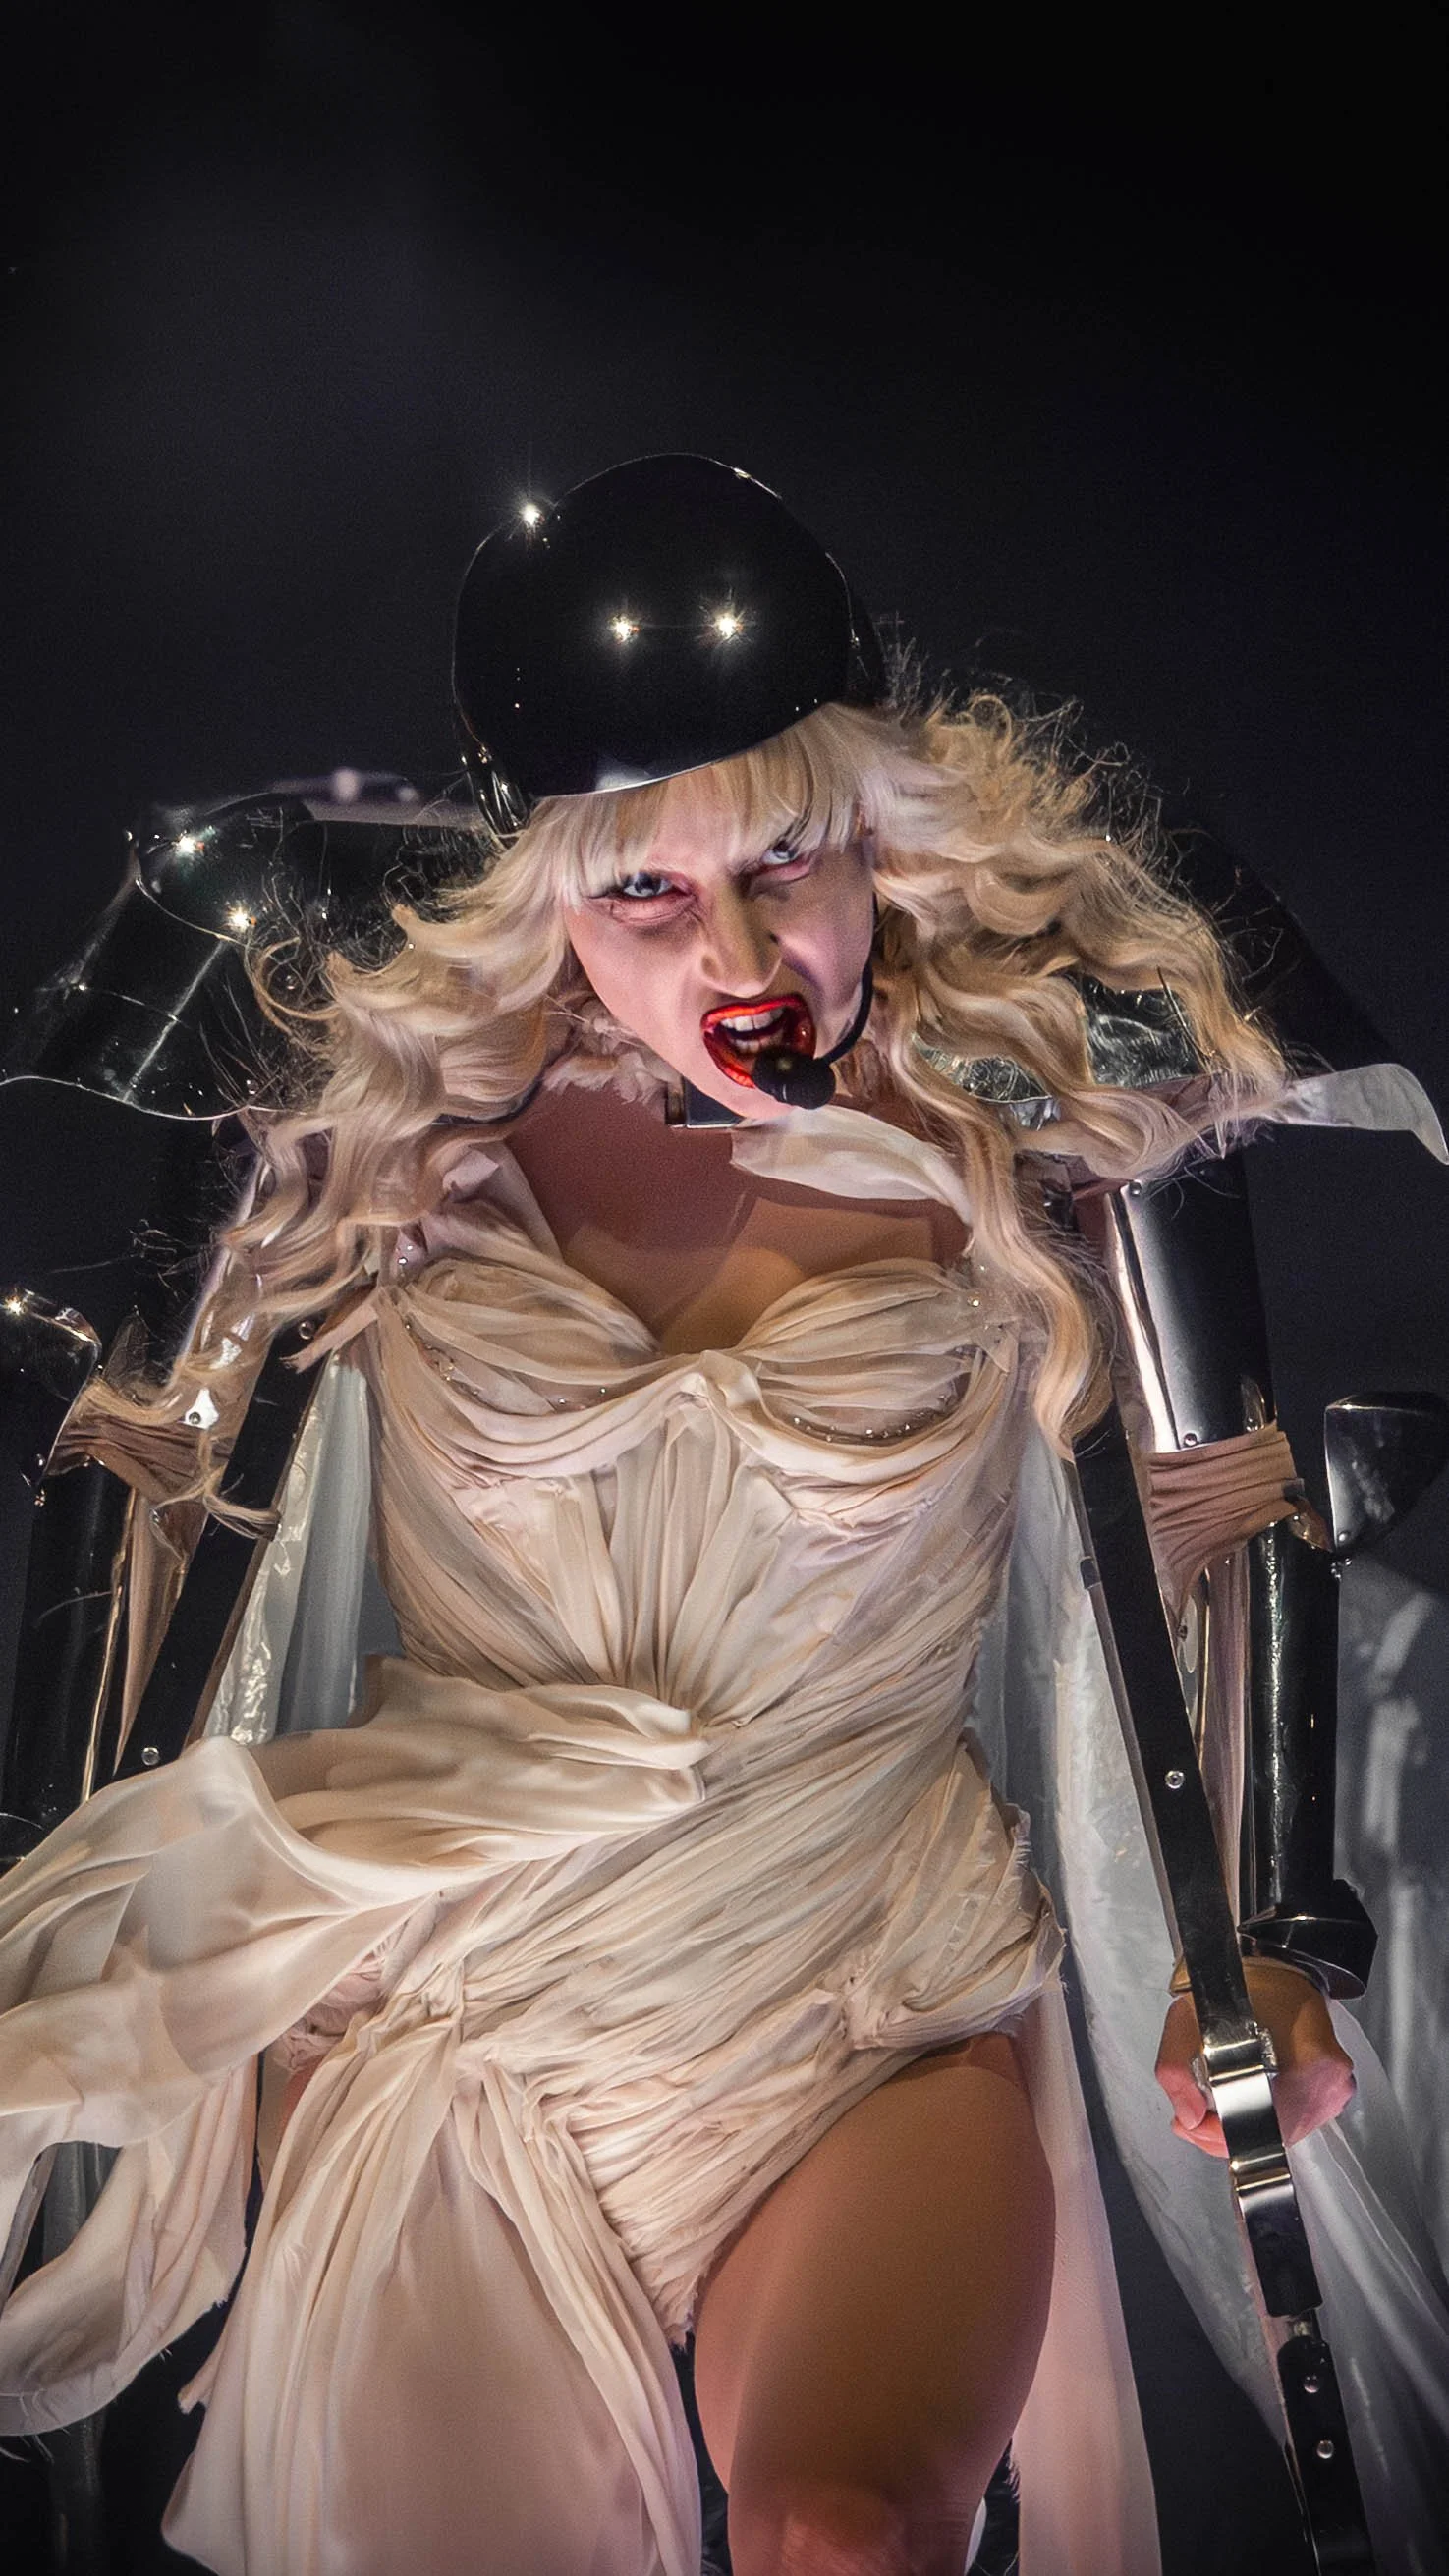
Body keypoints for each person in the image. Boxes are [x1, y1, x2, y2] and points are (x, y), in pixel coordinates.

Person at [0, 457, 1442, 2576]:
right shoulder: (374, 1109)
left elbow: (1219, 1504)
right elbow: (142, 1497)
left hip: (868, 1991)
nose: (745, 952)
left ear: (876, 826)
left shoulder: (1050, 1090)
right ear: (547, 894)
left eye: (785, 860)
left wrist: (1268, 1938)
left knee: (844, 2529)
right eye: (649, 895)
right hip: (460, 2020)